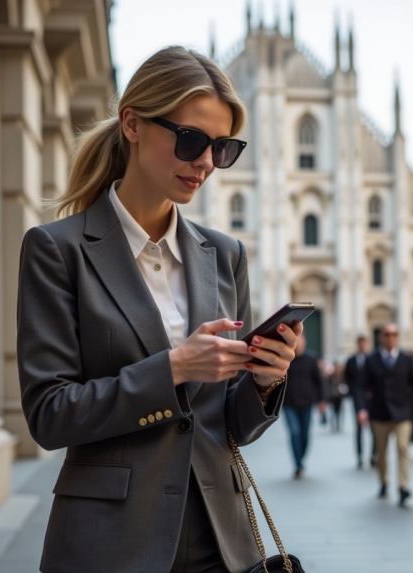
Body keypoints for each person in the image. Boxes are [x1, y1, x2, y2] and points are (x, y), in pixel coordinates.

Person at [16, 46, 303, 573]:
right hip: (110, 543)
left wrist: (264, 382)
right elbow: (49, 415)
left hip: (222, 539)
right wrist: (173, 369)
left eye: (223, 147)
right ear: (132, 124)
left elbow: (223, 424)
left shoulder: (225, 254)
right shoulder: (57, 250)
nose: (206, 162)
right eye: (192, 140)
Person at [355, 324, 413, 507]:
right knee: (381, 452)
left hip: (403, 412)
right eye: (387, 334)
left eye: (394, 334)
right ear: (380, 337)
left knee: (403, 447)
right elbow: (361, 386)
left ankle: (403, 486)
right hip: (379, 413)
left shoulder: (406, 359)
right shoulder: (371, 360)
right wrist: (362, 409)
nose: (390, 338)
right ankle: (384, 482)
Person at [284, 333, 327, 478]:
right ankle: (297, 463)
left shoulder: (312, 359)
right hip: (288, 404)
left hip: (307, 404)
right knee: (295, 433)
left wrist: (322, 401)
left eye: (300, 340)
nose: (298, 343)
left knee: (304, 434)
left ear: (304, 341)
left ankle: (301, 458)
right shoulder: (286, 359)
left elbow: (319, 381)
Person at [345, 335, 374, 469]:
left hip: (371, 398)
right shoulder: (351, 360)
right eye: (360, 343)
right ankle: (360, 456)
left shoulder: (372, 359)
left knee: (374, 427)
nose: (362, 345)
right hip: (357, 397)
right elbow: (346, 378)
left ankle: (374, 455)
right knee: (358, 428)